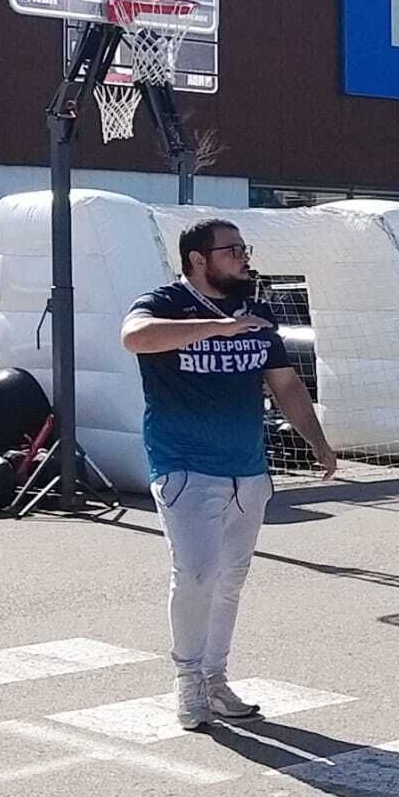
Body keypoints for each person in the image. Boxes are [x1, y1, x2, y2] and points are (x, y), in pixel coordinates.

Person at [120, 219, 336, 730]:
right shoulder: (165, 302)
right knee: (195, 573)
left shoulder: (257, 313)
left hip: (248, 468)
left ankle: (216, 680)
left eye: (244, 247)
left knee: (230, 579)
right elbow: (134, 338)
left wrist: (319, 443)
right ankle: (188, 681)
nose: (243, 256)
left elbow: (284, 384)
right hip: (185, 465)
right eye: (231, 249)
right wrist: (216, 328)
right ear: (198, 259)